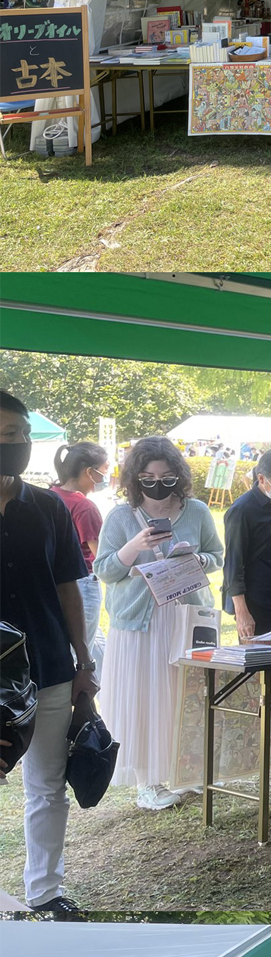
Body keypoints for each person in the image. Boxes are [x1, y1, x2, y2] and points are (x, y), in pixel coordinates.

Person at [0, 387, 97, 919]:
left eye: (16, 436)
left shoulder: (49, 507)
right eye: (1, 436)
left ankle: (45, 892)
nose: (10, 445)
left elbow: (68, 587)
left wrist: (84, 659)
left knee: (46, 785)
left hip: (49, 666)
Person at [95, 437, 223, 812]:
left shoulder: (196, 511)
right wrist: (134, 546)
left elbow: (216, 555)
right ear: (136, 478)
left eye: (166, 476)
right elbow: (104, 569)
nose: (158, 482)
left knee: (187, 694)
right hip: (139, 622)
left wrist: (197, 559)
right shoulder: (120, 517)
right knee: (144, 698)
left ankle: (189, 770)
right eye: (148, 476)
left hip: (185, 615)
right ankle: (147, 781)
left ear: (178, 476)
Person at [223, 445, 271, 640]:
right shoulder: (242, 510)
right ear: (261, 479)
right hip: (258, 605)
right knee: (260, 663)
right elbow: (234, 563)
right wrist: (241, 612)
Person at [51, 437, 110, 675]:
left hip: (57, 582)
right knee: (81, 648)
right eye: (104, 471)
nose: (104, 478)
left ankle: (105, 692)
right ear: (89, 472)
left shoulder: (50, 496)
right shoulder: (85, 507)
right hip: (83, 582)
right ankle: (86, 700)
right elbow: (102, 556)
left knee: (96, 643)